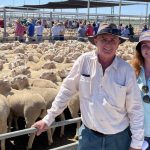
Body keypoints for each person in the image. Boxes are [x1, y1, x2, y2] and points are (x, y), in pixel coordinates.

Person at [32, 22, 144, 150]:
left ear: (118, 43)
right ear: (96, 40)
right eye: (103, 39)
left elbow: (135, 108)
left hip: (118, 139)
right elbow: (67, 90)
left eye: (113, 40)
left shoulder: (126, 70)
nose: (108, 44)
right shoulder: (84, 61)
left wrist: (136, 143)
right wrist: (48, 119)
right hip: (89, 138)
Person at [131, 30, 150, 150]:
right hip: (137, 134)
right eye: (145, 46)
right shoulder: (132, 71)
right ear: (139, 49)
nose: (148, 49)